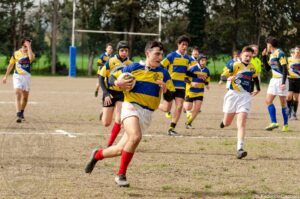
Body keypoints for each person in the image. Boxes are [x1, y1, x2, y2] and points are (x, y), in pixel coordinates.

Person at [84, 41, 175, 187]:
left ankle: (97, 155)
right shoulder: (134, 67)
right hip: (130, 106)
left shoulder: (164, 73)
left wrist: (165, 90)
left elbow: (170, 98)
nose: (160, 57)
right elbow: (112, 77)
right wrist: (117, 84)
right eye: (157, 53)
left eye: (161, 54)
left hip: (147, 114)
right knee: (136, 136)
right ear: (148, 53)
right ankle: (121, 175)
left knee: (120, 149)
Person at [220, 46, 260, 159]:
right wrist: (228, 78)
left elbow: (255, 78)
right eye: (246, 56)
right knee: (227, 123)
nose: (248, 58)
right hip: (233, 95)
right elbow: (223, 76)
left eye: (250, 56)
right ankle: (223, 122)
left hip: (245, 96)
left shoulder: (252, 67)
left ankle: (240, 149)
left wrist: (258, 88)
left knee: (242, 122)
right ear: (241, 55)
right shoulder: (235, 65)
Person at [159, 35, 197, 136]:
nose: (184, 47)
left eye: (186, 45)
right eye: (183, 44)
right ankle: (156, 105)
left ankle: (171, 128)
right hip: (170, 86)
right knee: (167, 108)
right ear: (178, 45)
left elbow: (194, 69)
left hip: (181, 87)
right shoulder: (171, 56)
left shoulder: (188, 59)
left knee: (179, 107)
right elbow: (161, 66)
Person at [99, 41, 132, 146]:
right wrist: (105, 93)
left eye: (126, 51)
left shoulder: (130, 64)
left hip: (121, 94)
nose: (124, 53)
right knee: (106, 123)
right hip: (109, 92)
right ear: (118, 51)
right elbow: (101, 77)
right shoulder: (111, 61)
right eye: (122, 50)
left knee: (118, 119)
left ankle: (109, 144)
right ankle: (103, 111)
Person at [2, 38, 35, 123]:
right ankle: (18, 114)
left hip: (26, 77)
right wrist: (5, 76)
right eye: (25, 46)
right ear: (22, 45)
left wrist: (29, 47)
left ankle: (22, 112)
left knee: (25, 97)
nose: (26, 47)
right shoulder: (16, 53)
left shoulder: (30, 53)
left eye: (28, 46)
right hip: (17, 76)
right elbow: (10, 65)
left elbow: (31, 59)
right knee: (17, 92)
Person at [262, 37, 289, 132]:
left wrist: (283, 83)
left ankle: (285, 124)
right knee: (268, 101)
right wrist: (264, 57)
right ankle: (274, 122)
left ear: (269, 45)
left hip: (282, 80)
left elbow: (285, 69)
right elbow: (268, 69)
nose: (266, 46)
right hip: (273, 80)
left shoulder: (280, 53)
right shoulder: (272, 55)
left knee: (283, 103)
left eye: (267, 45)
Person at [184, 54, 210, 129]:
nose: (204, 62)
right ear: (198, 61)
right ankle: (186, 108)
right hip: (190, 91)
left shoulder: (207, 70)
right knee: (188, 107)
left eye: (205, 60)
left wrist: (207, 84)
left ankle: (188, 123)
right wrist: (191, 83)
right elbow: (185, 79)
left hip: (200, 91)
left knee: (197, 109)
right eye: (202, 60)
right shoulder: (192, 69)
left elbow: (206, 79)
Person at [287, 46, 300, 120]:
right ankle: (289, 111)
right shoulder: (289, 59)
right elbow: (284, 67)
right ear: (293, 52)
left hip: (298, 80)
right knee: (289, 97)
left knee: (295, 98)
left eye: (298, 52)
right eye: (296, 51)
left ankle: (294, 113)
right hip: (290, 79)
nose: (297, 53)